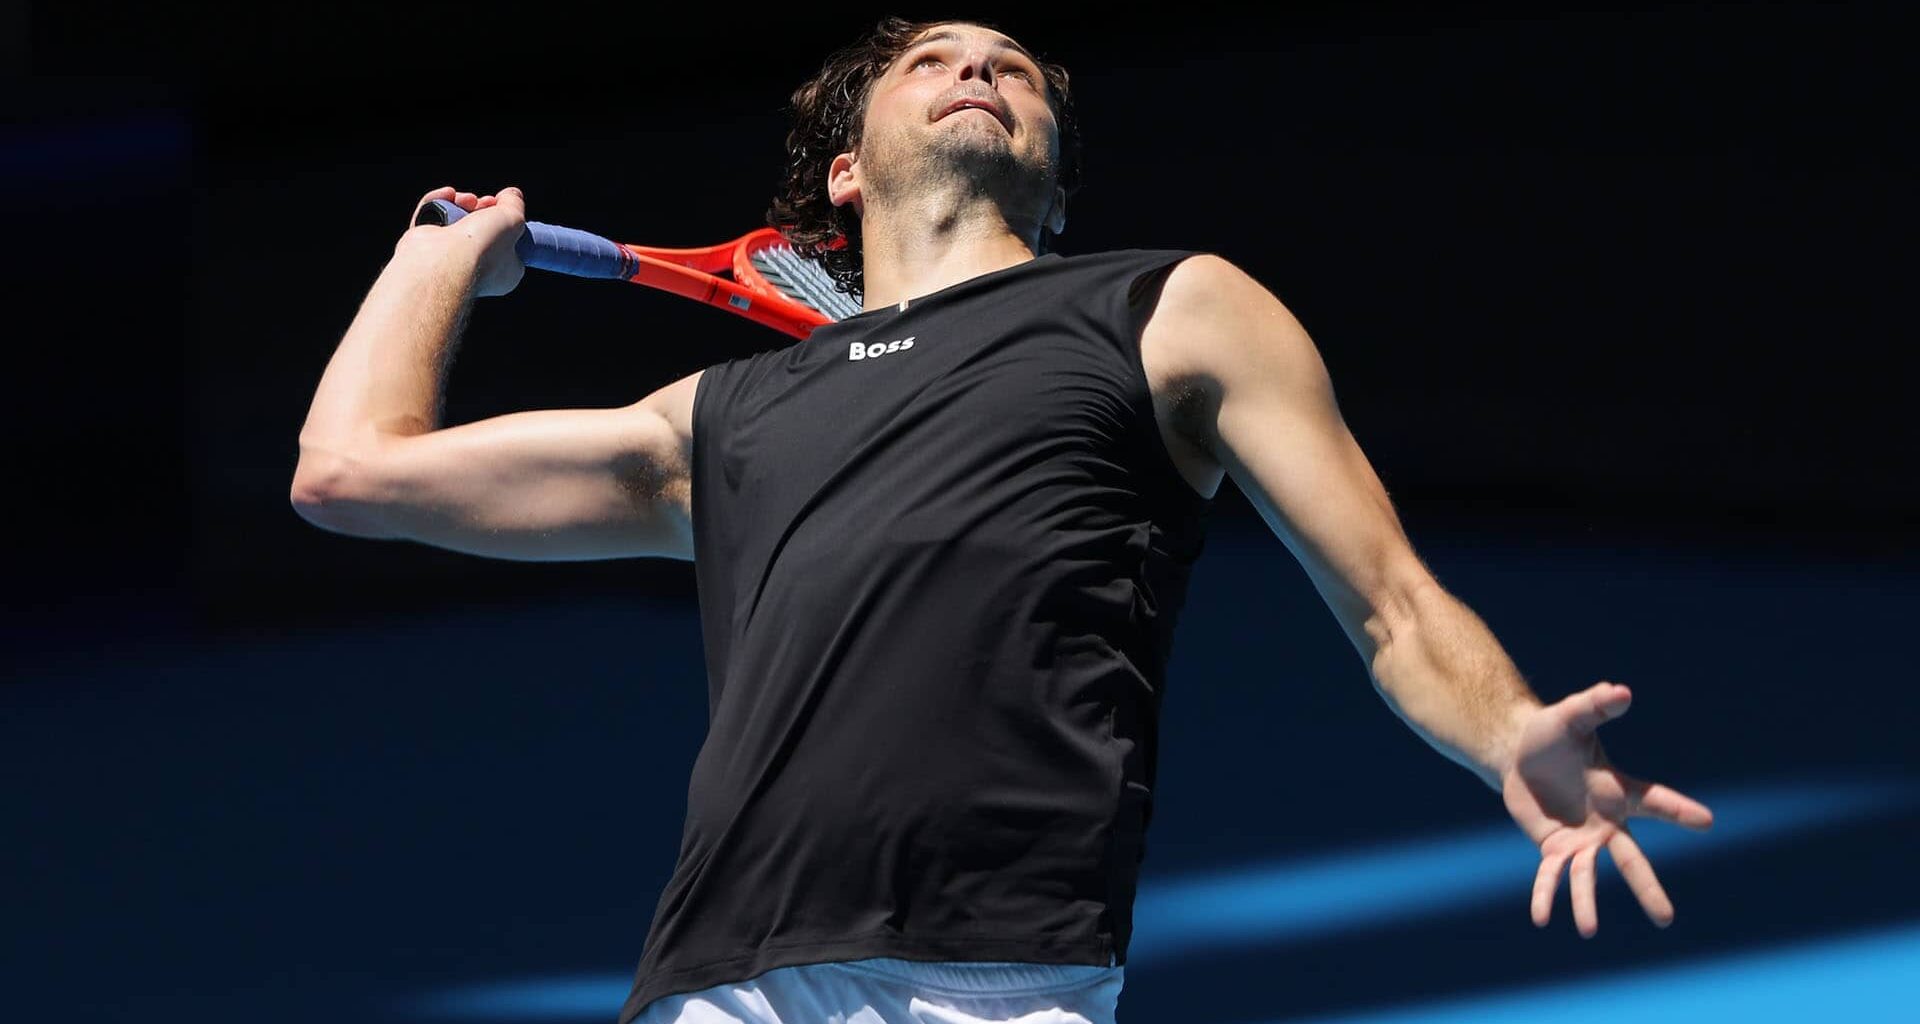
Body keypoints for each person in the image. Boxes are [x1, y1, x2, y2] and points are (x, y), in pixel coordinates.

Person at [290, 16, 1717, 1024]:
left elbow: (1392, 599)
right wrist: (440, 259)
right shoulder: (718, 418)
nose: (977, 68)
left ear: (1050, 161)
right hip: (718, 984)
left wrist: (1503, 726)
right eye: (929, 61)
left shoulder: (1169, 309)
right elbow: (350, 471)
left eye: (1013, 68)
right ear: (846, 170)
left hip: (1004, 980)